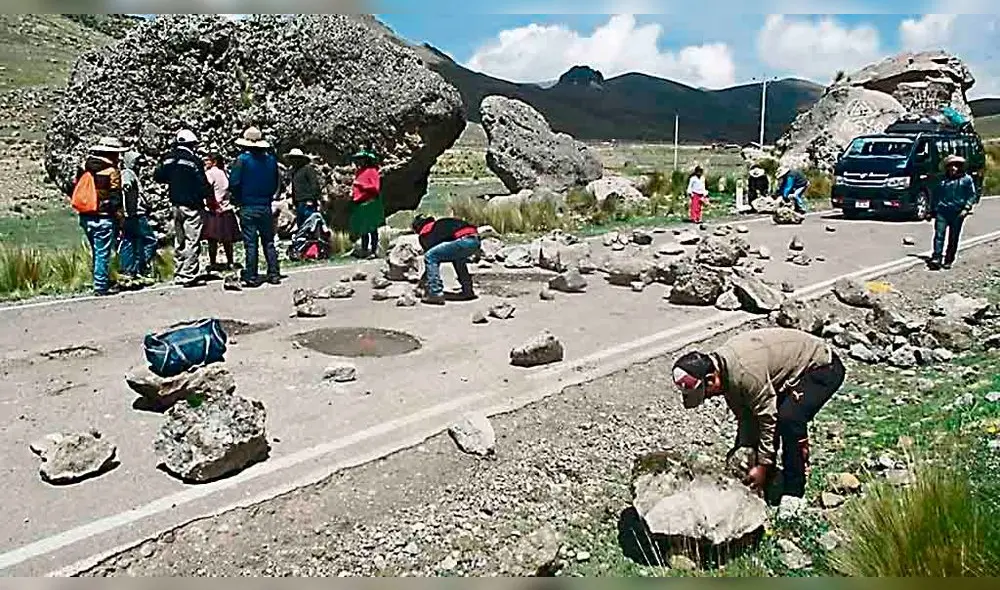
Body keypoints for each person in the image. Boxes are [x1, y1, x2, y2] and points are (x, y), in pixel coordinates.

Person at [671, 327, 845, 499]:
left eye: (705, 393)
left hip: (821, 366)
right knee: (756, 430)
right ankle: (766, 483)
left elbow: (768, 417)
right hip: (785, 373)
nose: (707, 398)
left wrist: (762, 465)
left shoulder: (746, 373)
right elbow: (746, 417)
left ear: (711, 380)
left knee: (789, 418)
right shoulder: (725, 373)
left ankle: (794, 491)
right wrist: (744, 451)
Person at [153, 129, 211, 287]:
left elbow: (158, 176)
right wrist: (208, 196)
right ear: (192, 144)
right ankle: (189, 274)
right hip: (192, 205)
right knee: (192, 239)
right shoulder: (194, 161)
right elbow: (202, 184)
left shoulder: (168, 159)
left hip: (175, 204)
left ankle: (179, 272)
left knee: (180, 240)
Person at [72, 136, 127, 296]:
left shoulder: (84, 167)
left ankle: (99, 279)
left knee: (96, 251)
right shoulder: (111, 171)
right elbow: (116, 198)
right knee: (102, 252)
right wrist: (120, 218)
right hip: (104, 217)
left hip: (86, 215)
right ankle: (101, 286)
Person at [230, 126, 281, 287]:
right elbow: (276, 183)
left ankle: (251, 275)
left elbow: (234, 183)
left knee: (251, 243)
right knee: (268, 241)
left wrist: (238, 199)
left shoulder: (242, 160)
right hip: (265, 205)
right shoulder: (271, 161)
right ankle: (274, 273)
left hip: (248, 205)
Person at [410, 214, 480, 305]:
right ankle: (468, 290)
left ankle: (435, 293)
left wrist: (421, 285)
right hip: (475, 240)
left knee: (430, 256)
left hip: (462, 240)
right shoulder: (441, 224)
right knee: (458, 258)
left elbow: (431, 263)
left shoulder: (425, 232)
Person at [929, 154, 978, 271]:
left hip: (958, 212)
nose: (953, 168)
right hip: (942, 211)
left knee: (953, 237)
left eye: (956, 165)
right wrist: (931, 210)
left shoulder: (966, 180)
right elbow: (935, 195)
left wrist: (966, 208)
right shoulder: (942, 180)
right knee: (939, 235)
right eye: (951, 165)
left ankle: (949, 259)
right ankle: (936, 257)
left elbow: (972, 195)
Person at [118, 149, 158, 285]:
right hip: (136, 214)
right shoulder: (128, 173)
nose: (139, 166)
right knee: (150, 240)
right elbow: (126, 185)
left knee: (129, 241)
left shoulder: (131, 173)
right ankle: (141, 267)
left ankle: (128, 270)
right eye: (137, 163)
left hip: (130, 214)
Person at [202, 152, 240, 271]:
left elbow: (207, 189)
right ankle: (230, 261)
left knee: (212, 239)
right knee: (227, 239)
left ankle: (213, 262)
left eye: (208, 160)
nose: (205, 162)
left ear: (214, 162)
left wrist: (212, 203)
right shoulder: (224, 173)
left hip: (214, 209)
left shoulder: (210, 173)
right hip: (226, 208)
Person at [349, 149, 386, 259]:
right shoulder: (359, 172)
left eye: (361, 159)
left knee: (372, 228)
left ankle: (374, 251)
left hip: (370, 202)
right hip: (359, 203)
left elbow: (375, 188)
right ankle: (365, 251)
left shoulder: (372, 171)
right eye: (358, 160)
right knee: (363, 229)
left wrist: (361, 185)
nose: (359, 162)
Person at [286, 148, 322, 229]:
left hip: (308, 202)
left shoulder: (308, 169)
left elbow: (314, 185)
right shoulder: (294, 172)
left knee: (310, 225)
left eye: (295, 158)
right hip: (299, 202)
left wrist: (311, 199)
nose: (293, 161)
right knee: (301, 226)